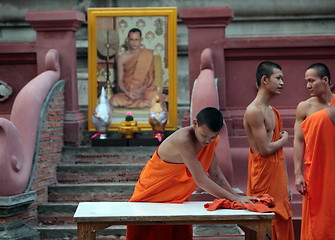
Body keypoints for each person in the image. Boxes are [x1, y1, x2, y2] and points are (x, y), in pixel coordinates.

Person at [126, 107, 258, 240]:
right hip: (152, 195)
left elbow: (215, 173)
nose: (207, 140)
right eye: (204, 135)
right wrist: (234, 198)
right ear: (195, 123)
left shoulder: (209, 142)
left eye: (213, 137)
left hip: (177, 196)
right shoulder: (184, 140)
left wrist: (236, 197)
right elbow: (201, 180)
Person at [243, 61, 294, 239]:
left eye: (282, 79)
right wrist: (285, 139)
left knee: (282, 218)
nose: (282, 83)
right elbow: (265, 149)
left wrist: (286, 183)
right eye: (278, 78)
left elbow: (278, 155)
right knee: (266, 221)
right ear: (264, 79)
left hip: (277, 176)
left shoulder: (272, 111)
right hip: (263, 177)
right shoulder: (253, 111)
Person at [293, 63, 335, 239]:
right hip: (315, 170)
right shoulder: (304, 107)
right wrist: (297, 174)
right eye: (306, 81)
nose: (308, 86)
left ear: (325, 80)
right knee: (315, 216)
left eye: (311, 81)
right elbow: (298, 140)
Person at [110, 28, 159, 108]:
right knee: (114, 100)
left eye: (136, 39)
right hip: (128, 92)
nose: (134, 43)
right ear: (127, 40)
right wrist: (128, 93)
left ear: (141, 40)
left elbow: (150, 78)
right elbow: (120, 82)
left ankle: (135, 103)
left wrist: (141, 90)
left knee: (154, 97)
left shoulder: (147, 54)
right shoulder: (121, 58)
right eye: (132, 40)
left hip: (144, 90)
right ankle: (141, 103)